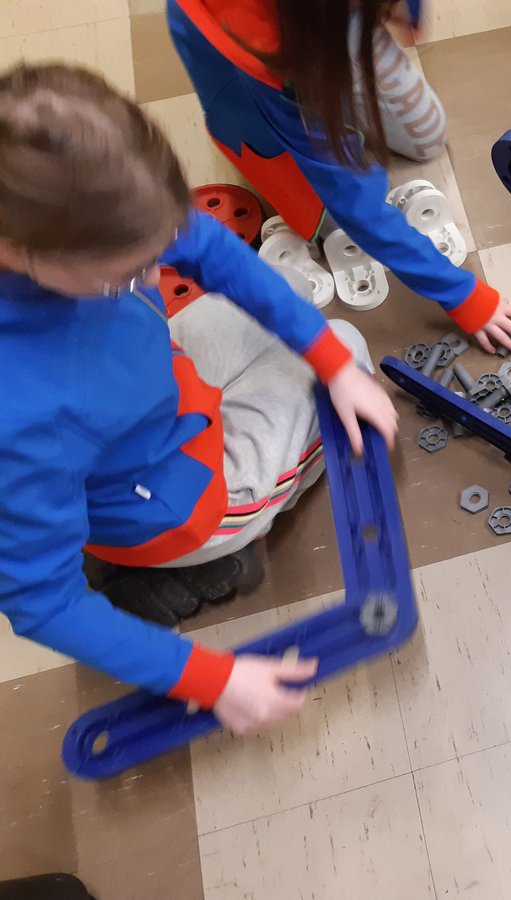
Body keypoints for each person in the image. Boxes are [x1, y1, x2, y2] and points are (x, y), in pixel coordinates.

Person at [0, 64, 399, 734]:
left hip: (154, 389)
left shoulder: (76, 212)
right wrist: (212, 680)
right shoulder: (23, 416)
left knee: (326, 344)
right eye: (125, 274)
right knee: (352, 351)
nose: (155, 270)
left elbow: (207, 245)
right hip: (175, 497)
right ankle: (184, 557)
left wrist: (325, 360)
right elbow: (41, 602)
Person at [167, 0, 511, 354]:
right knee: (329, 220)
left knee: (427, 136)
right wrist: (465, 296)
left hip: (325, 26)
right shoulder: (258, 67)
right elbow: (359, 207)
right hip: (261, 87)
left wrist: (404, 9)